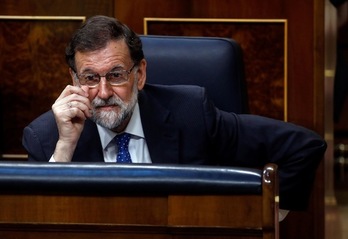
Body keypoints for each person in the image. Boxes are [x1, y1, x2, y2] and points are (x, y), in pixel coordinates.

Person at [22, 15, 326, 213]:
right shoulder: (47, 137)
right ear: (75, 80)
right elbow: (39, 225)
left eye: (116, 75)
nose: (102, 93)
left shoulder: (191, 113)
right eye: (90, 78)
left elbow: (303, 146)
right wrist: (64, 148)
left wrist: (263, 221)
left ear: (139, 75)